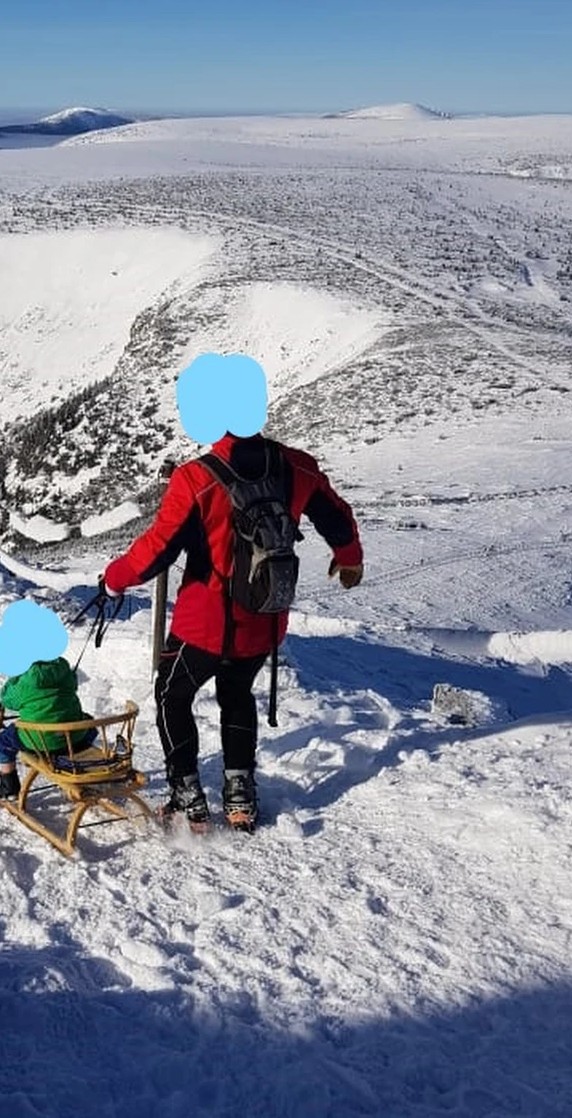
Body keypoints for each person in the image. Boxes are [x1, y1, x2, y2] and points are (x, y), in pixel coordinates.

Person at [100, 354, 363, 832]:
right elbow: (336, 517)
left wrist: (114, 578)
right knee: (237, 695)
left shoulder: (196, 479)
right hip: (264, 618)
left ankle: (186, 796)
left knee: (171, 695)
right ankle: (240, 796)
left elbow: (157, 550)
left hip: (203, 624)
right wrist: (350, 557)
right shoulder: (296, 467)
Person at [0, 655, 94, 799]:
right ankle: (77, 759)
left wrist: (14, 679)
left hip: (39, 742)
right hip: (75, 739)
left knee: (3, 740)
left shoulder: (25, 679)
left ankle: (9, 787)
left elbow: (7, 700)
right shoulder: (62, 667)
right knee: (90, 723)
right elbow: (74, 684)